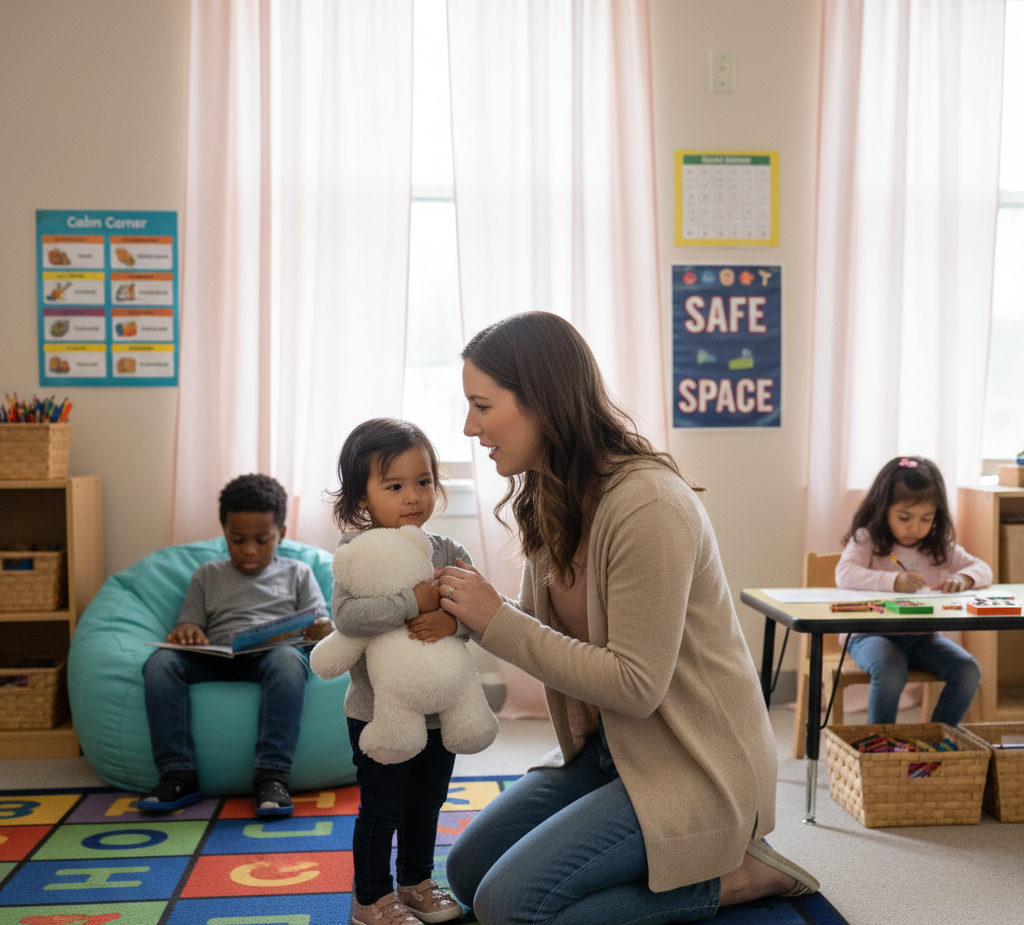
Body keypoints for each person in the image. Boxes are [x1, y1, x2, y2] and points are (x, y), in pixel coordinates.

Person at [435, 312, 818, 925]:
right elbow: (543, 632)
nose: (469, 426)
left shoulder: (648, 505)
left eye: (482, 406)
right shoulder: (549, 492)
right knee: (466, 872)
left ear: (542, 402)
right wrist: (462, 609)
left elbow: (636, 686)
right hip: (612, 752)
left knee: (508, 907)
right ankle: (661, 861)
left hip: (696, 764)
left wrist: (495, 618)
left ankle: (738, 876)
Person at [318, 418, 475, 925]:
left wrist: (452, 622)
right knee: (382, 809)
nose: (413, 496)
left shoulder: (449, 552)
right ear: (361, 497)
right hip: (377, 714)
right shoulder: (355, 553)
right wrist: (414, 600)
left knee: (427, 804)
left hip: (439, 710)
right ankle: (370, 899)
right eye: (394, 486)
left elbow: (478, 616)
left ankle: (415, 883)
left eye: (423, 481)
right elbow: (348, 618)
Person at [137, 473, 333, 817]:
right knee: (159, 663)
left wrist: (321, 630)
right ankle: (177, 773)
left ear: (281, 534)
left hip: (272, 656)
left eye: (262, 540)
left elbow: (320, 624)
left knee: (288, 661)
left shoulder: (298, 573)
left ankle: (272, 776)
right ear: (224, 532)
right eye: (237, 539)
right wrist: (188, 632)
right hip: (217, 654)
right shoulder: (207, 575)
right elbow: (189, 623)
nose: (249, 550)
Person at [835, 455, 988, 724]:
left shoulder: (937, 544)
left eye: (926, 518)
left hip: (922, 637)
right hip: (869, 635)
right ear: (883, 509)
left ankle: (936, 738)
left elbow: (982, 568)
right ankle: (881, 745)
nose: (915, 528)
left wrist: (964, 578)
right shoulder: (867, 538)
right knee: (891, 670)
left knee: (967, 671)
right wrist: (893, 581)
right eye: (904, 517)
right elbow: (844, 573)